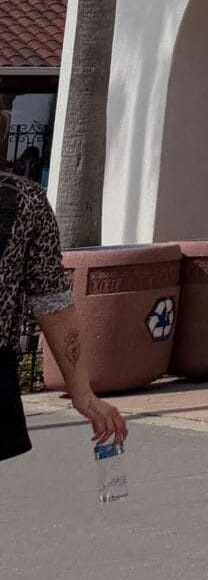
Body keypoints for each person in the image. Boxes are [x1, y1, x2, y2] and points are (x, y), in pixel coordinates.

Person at [2, 169, 129, 466]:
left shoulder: (26, 200)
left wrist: (82, 390)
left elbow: (51, 301)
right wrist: (81, 391)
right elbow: (51, 301)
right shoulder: (25, 199)